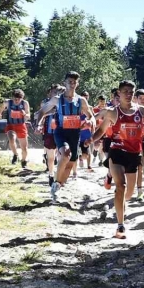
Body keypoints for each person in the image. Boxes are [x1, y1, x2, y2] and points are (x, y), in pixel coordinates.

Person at [93, 80, 144, 239]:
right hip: (117, 151)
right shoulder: (112, 112)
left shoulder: (141, 111)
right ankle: (120, 225)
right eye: (125, 92)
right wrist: (91, 139)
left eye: (131, 92)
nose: (128, 95)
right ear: (119, 93)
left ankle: (118, 198)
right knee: (120, 186)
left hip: (134, 153)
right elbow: (101, 130)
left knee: (128, 194)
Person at [36, 72, 96, 203]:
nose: (72, 84)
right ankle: (56, 181)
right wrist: (38, 124)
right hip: (61, 131)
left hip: (75, 133)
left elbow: (91, 116)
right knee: (66, 153)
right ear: (65, 83)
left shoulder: (81, 100)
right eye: (69, 82)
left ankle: (57, 185)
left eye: (74, 82)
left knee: (71, 163)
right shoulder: (57, 99)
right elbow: (42, 111)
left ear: (77, 84)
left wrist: (91, 122)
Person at [35, 84, 62, 186]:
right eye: (55, 92)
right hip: (49, 131)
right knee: (50, 157)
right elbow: (39, 114)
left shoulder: (65, 102)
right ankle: (51, 174)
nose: (57, 95)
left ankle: (58, 176)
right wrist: (39, 125)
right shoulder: (45, 102)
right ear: (51, 92)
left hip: (62, 132)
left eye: (59, 93)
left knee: (61, 155)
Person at [0, 89, 31, 168]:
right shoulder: (7, 102)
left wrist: (25, 114)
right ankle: (15, 154)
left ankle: (23, 161)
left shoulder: (25, 103)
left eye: (18, 99)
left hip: (21, 125)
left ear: (22, 98)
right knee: (11, 139)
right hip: (11, 124)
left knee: (24, 148)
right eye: (15, 99)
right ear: (12, 97)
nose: (16, 101)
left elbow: (28, 116)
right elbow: (1, 108)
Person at [134, 88, 144, 201]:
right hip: (132, 142)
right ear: (136, 99)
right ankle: (139, 190)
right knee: (138, 167)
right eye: (141, 98)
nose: (143, 101)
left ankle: (139, 190)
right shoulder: (132, 110)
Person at [77, 90, 95, 177]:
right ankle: (80, 158)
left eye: (87, 96)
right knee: (81, 152)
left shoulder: (90, 108)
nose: (85, 97)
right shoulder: (77, 107)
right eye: (83, 96)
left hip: (87, 133)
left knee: (87, 152)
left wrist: (93, 130)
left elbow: (93, 119)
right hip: (78, 132)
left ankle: (88, 165)